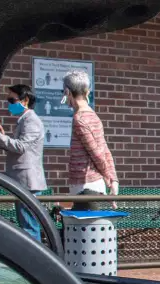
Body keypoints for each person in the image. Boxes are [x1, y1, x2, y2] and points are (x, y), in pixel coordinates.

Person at [0, 84, 47, 241]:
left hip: (27, 182)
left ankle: (33, 261)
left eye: (12, 99)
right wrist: (2, 136)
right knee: (27, 225)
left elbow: (21, 146)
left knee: (29, 227)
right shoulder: (24, 120)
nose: (9, 104)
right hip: (22, 181)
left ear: (25, 100)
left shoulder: (31, 121)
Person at [62, 70, 118, 211]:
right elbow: (104, 149)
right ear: (87, 91)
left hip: (85, 185)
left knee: (84, 230)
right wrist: (113, 178)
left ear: (67, 92)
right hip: (91, 184)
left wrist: (109, 178)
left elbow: (97, 153)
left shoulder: (79, 119)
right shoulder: (93, 115)